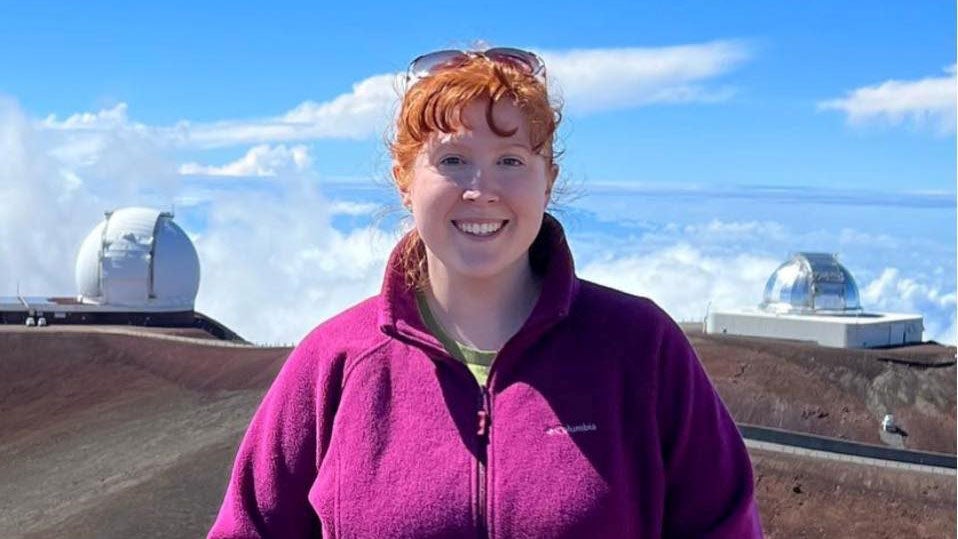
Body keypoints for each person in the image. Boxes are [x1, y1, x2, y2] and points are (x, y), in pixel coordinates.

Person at [208, 47, 763, 538]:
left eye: (511, 162)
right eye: (452, 161)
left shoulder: (641, 348)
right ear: (405, 179)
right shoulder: (335, 362)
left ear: (548, 178)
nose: (482, 190)